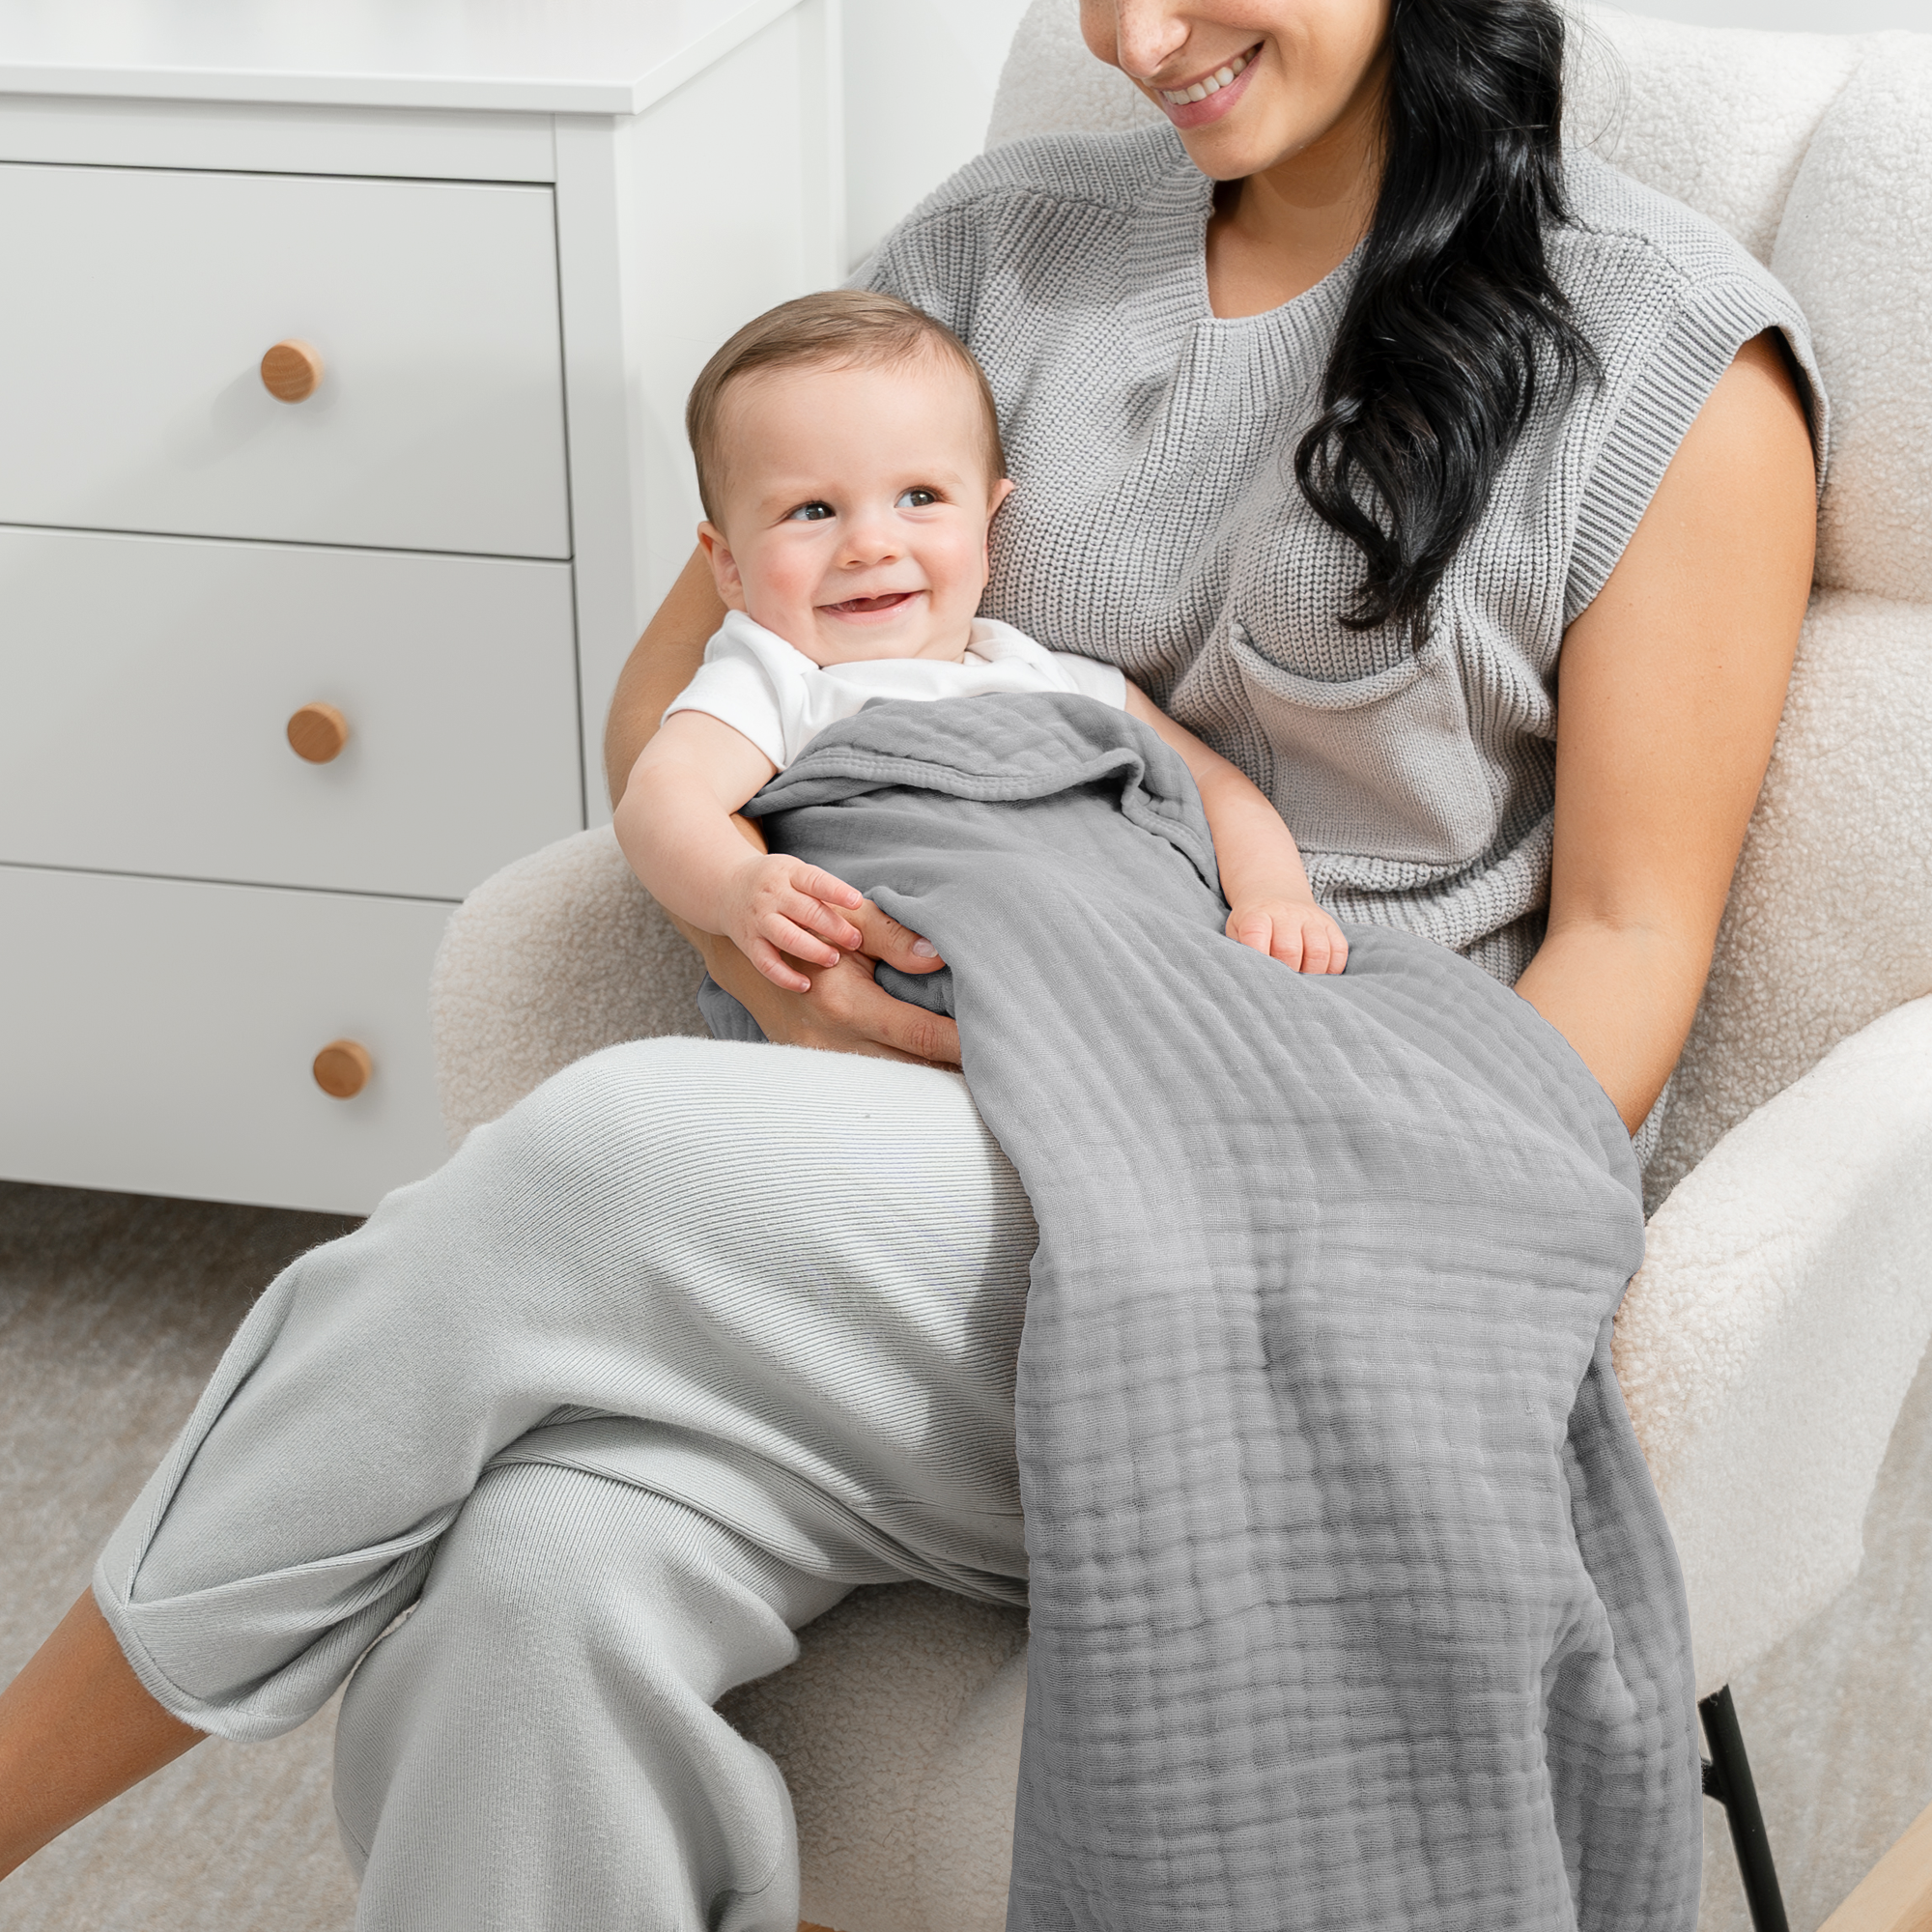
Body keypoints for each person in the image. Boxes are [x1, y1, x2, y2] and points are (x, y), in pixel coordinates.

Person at [0, 0, 1820, 1925]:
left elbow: (1627, 945)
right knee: (528, 1601)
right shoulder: (989, 251)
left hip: (1318, 1180)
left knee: (598, 1165)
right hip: (892, 1155)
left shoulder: (1667, 366)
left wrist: (1350, 1259)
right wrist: (776, 974)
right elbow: (674, 706)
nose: (1129, 33)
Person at [623, 288, 1349, 988]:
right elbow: (662, 797)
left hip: (1133, 950)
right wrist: (735, 887)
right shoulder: (776, 678)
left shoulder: (1048, 673)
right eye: (812, 510)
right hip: (943, 975)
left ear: (988, 521)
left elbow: (1215, 784)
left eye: (920, 498)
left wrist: (1276, 898)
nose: (870, 545)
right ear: (727, 565)